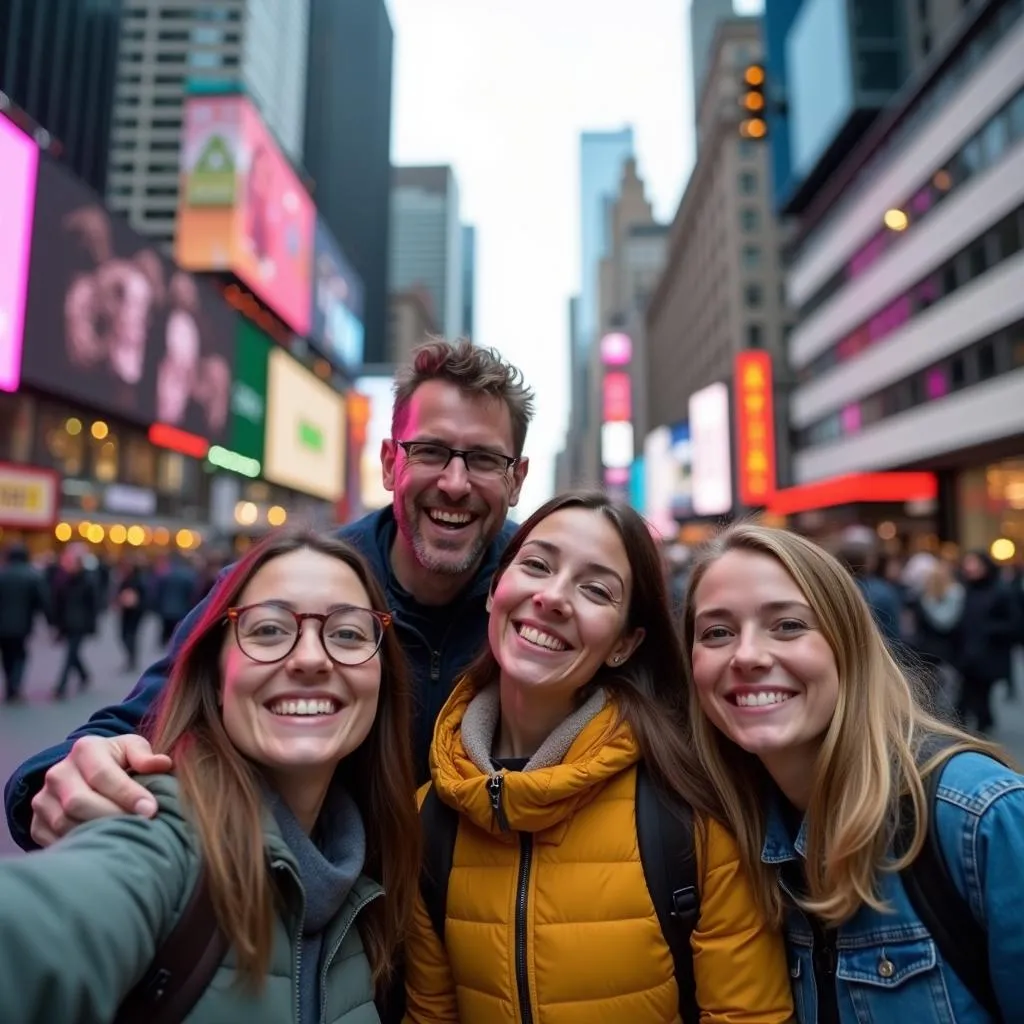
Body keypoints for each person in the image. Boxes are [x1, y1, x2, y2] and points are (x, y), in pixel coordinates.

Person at [4, 338, 533, 851]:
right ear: (392, 463)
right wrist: (57, 780)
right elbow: (139, 718)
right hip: (311, 919)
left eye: (485, 460)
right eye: (432, 451)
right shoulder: (290, 577)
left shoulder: (543, 599)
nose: (456, 482)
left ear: (517, 480)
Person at [0, 528, 419, 1023]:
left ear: (381, 680)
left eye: (348, 633)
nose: (310, 658)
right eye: (268, 629)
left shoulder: (369, 878)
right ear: (216, 675)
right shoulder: (160, 832)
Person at [403, 493, 794, 1023]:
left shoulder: (690, 809)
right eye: (537, 565)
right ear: (496, 590)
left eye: (596, 589)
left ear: (624, 645)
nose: (554, 597)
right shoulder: (429, 816)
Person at [683, 522, 1024, 1022]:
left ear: (847, 644)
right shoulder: (727, 837)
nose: (748, 655)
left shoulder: (979, 818)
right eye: (717, 632)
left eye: (789, 625)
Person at [956, 549, 1022, 732]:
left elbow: (1015, 624)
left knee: (979, 695)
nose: (969, 568)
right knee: (967, 695)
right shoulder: (964, 590)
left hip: (989, 655)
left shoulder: (1002, 591)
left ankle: (981, 727)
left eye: (974, 563)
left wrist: (989, 629)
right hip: (967, 653)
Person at [0, 544, 50, 704]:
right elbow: (42, 601)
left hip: (2, 625)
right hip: (23, 624)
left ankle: (10, 686)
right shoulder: (32, 575)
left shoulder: (3, 574)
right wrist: (51, 621)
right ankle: (15, 685)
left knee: (6, 656)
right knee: (20, 655)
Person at [50, 546, 101, 700]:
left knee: (70, 654)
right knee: (74, 653)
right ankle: (84, 675)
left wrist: (93, 626)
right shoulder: (63, 581)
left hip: (81, 624)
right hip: (67, 624)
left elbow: (93, 606)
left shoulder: (88, 581)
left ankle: (61, 686)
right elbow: (58, 603)